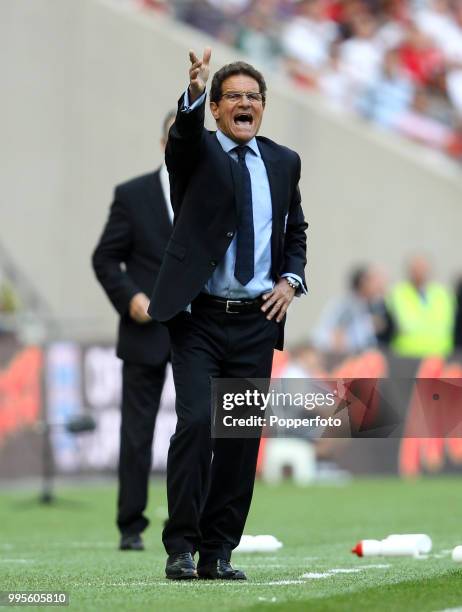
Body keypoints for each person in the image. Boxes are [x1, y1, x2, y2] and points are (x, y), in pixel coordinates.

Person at [148, 48, 308, 580]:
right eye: (233, 97)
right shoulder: (197, 152)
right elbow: (182, 141)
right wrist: (191, 91)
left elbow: (296, 232)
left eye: (253, 97)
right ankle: (181, 546)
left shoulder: (284, 162)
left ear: (263, 107)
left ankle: (219, 550)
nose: (244, 104)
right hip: (199, 319)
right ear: (216, 109)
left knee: (239, 440)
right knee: (196, 422)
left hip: (255, 323)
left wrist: (291, 280)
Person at [92, 111, 175, 551]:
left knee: (204, 427)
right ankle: (131, 525)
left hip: (201, 331)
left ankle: (200, 520)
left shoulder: (214, 194)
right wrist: (131, 297)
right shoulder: (132, 194)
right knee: (137, 432)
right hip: (144, 331)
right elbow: (104, 258)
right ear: (163, 143)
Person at [388, 255, 454, 358]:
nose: (420, 272)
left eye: (423, 268)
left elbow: (446, 323)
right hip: (407, 353)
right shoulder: (398, 292)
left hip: (440, 353)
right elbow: (404, 324)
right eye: (416, 268)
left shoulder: (442, 293)